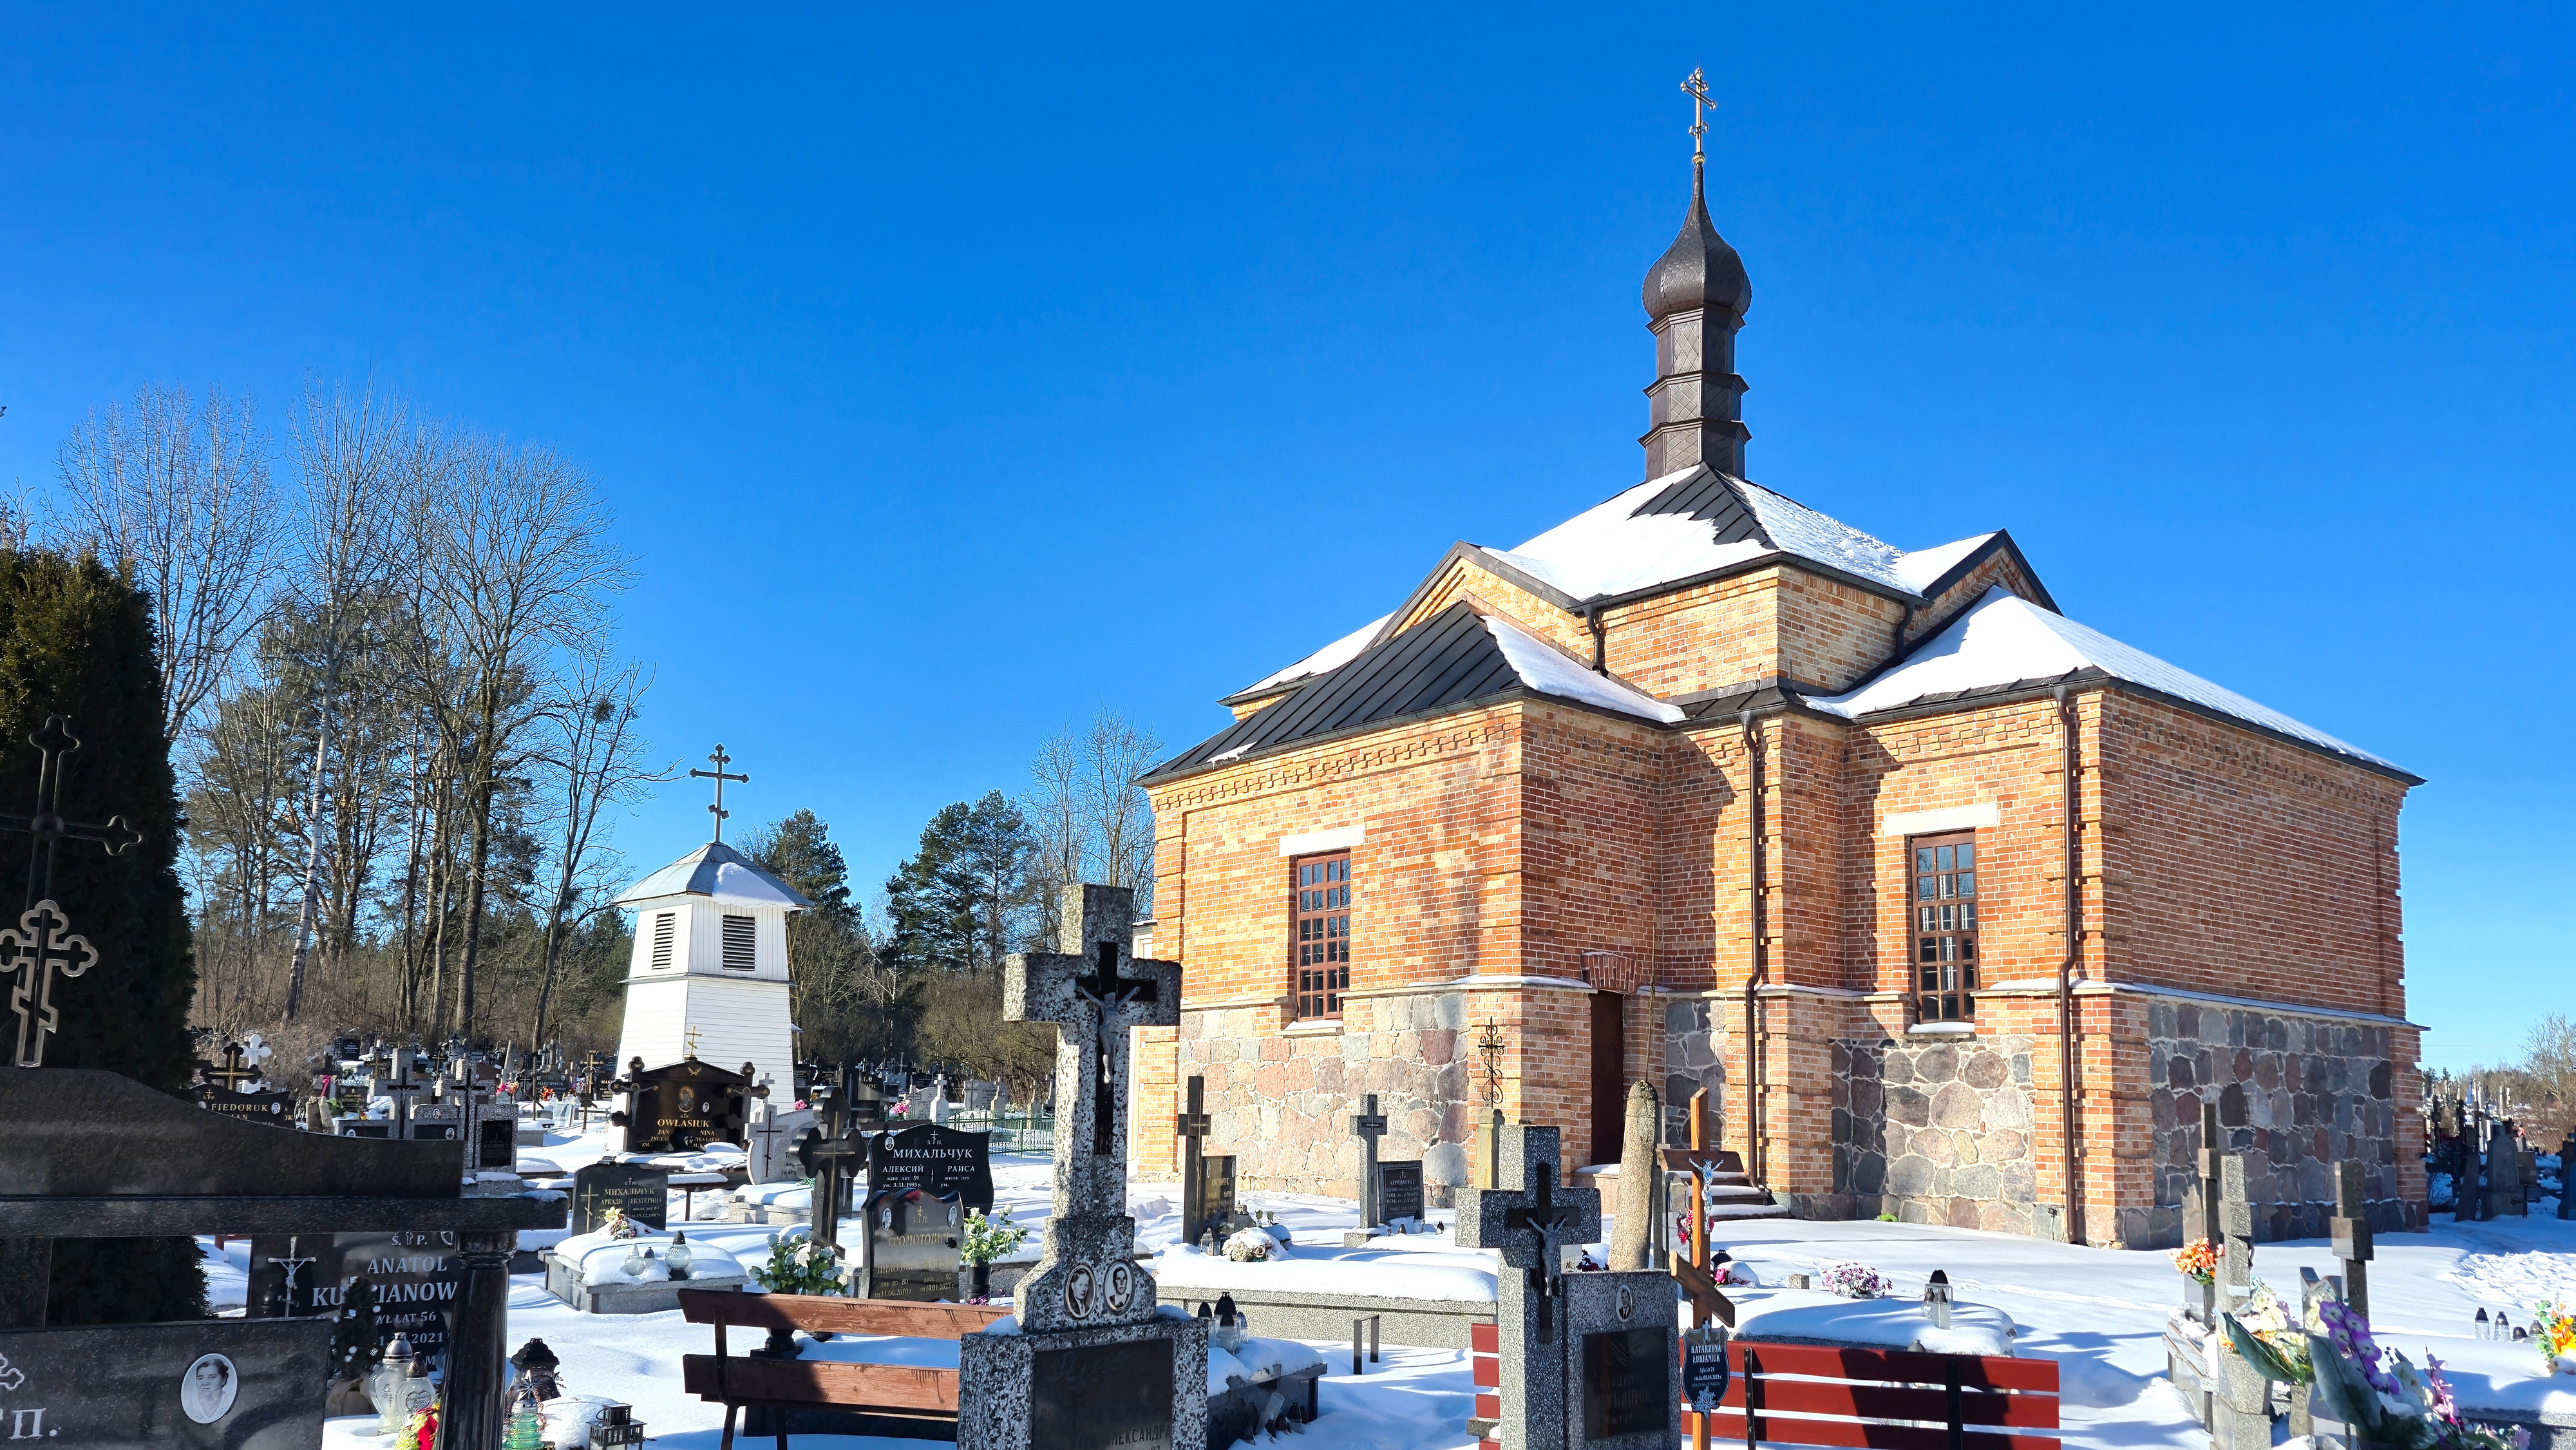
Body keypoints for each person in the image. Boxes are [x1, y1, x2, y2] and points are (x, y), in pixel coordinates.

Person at [180, 1353, 237, 1424]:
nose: (205, 1383)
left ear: (224, 1379)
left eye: (212, 1377)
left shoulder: (230, 1401)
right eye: (200, 1378)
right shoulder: (190, 1404)